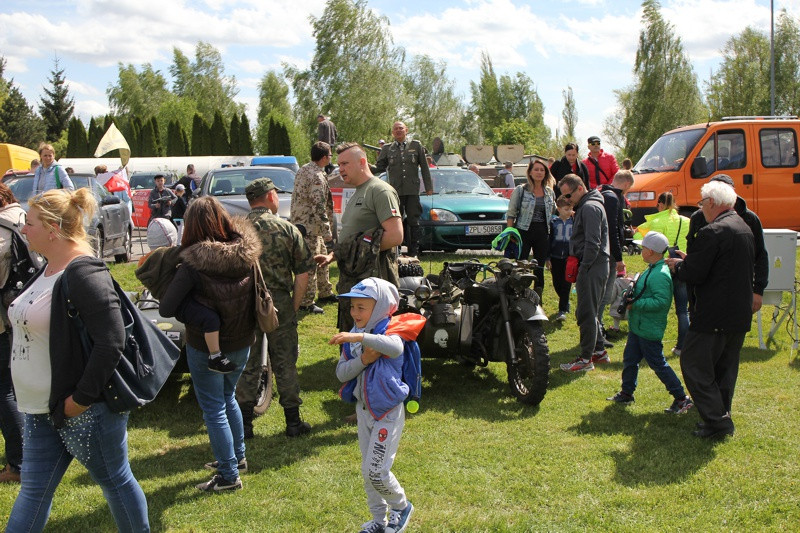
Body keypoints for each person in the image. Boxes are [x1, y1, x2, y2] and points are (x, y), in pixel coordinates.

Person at [7, 188, 149, 531]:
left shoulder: (84, 271)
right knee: (34, 491)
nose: (23, 230)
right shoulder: (46, 268)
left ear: (53, 228)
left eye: (30, 223)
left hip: (83, 410)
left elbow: (112, 340)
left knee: (115, 481)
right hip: (41, 409)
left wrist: (79, 401)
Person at [159, 196, 261, 491]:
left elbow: (166, 308)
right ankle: (237, 458)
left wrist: (202, 315)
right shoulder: (248, 255)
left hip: (206, 348)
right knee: (227, 397)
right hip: (242, 341)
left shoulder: (191, 265)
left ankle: (229, 476)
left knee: (214, 407)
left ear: (190, 226)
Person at [331, 277, 421, 533]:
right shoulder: (353, 337)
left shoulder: (391, 330)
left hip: (387, 413)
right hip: (364, 412)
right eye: (352, 307)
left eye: (362, 307)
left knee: (377, 471)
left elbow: (393, 348)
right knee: (367, 471)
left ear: (380, 306)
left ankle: (401, 508)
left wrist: (360, 337)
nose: (355, 313)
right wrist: (364, 359)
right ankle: (379, 521)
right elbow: (342, 373)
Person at [666, 181, 754, 439]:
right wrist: (690, 261)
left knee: (693, 364)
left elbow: (695, 273)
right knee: (725, 368)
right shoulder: (743, 226)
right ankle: (720, 415)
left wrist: (678, 267)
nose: (701, 206)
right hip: (738, 310)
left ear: (713, 202)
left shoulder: (712, 231)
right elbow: (717, 265)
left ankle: (718, 420)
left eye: (703, 202)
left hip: (714, 312)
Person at [238, 177, 314, 439]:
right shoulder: (287, 228)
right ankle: (293, 423)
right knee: (285, 362)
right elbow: (303, 274)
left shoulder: (237, 230)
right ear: (270, 196)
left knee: (247, 363)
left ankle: (245, 426)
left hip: (245, 303)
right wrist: (292, 306)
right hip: (279, 301)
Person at [317, 142, 403, 332]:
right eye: (339, 165)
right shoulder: (358, 191)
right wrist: (334, 255)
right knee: (352, 330)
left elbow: (396, 236)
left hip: (372, 276)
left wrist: (358, 254)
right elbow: (353, 234)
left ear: (362, 162)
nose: (340, 170)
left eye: (345, 164)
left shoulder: (380, 191)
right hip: (354, 276)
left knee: (371, 333)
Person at [606, 231, 694, 414]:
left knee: (658, 364)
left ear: (652, 251)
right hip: (639, 327)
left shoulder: (660, 274)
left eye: (643, 248)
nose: (641, 250)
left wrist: (635, 304)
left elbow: (661, 302)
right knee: (630, 359)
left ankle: (681, 398)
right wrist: (628, 295)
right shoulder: (652, 268)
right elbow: (641, 290)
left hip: (649, 328)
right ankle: (626, 393)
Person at [686, 174, 768, 314]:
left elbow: (760, 255)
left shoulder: (749, 219)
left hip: (737, 289)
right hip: (703, 291)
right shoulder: (699, 217)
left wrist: (758, 290)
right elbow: (693, 251)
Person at [557, 174, 612, 372]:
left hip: (592, 265)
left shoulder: (589, 207)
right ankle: (598, 352)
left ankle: (586, 359)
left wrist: (584, 266)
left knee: (587, 313)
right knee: (589, 311)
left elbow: (593, 242)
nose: (567, 201)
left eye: (569, 196)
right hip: (593, 264)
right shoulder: (588, 205)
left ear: (580, 188)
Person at [633, 191, 690, 355]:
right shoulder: (686, 220)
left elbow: (640, 237)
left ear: (660, 205)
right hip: (681, 264)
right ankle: (682, 346)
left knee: (657, 307)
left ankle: (650, 343)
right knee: (683, 310)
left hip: (663, 266)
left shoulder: (656, 221)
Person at [372, 121, 432, 258]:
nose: (398, 131)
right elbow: (380, 167)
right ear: (392, 132)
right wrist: (363, 165)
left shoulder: (416, 145)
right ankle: (395, 250)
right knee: (395, 220)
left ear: (406, 130)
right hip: (395, 191)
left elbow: (425, 167)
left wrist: (428, 187)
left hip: (412, 190)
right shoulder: (388, 148)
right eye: (395, 129)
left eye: (401, 128)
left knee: (413, 220)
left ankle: (413, 251)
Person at [291, 141, 337, 315]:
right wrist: (327, 233)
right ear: (324, 157)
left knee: (323, 259)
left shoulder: (304, 169)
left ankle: (325, 292)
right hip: (310, 227)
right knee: (310, 263)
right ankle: (306, 301)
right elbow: (318, 206)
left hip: (305, 224)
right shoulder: (316, 175)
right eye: (330, 156)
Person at [0, 183, 26, 483]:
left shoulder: (2, 230)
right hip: (29, 314)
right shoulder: (24, 218)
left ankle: (18, 463)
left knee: (4, 388)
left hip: (5, 322)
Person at [506, 159, 556, 299]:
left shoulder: (549, 192)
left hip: (542, 233)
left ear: (546, 173)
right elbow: (511, 213)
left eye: (542, 170)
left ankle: (537, 299)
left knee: (539, 268)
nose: (539, 172)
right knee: (521, 266)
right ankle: (518, 296)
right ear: (530, 172)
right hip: (523, 232)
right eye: (536, 169)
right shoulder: (521, 190)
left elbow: (554, 213)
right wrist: (510, 233)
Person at [597, 170, 635, 342]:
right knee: (604, 294)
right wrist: (619, 257)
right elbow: (613, 229)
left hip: (605, 251)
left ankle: (599, 328)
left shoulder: (605, 194)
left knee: (604, 294)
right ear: (627, 184)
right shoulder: (612, 198)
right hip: (609, 253)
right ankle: (597, 331)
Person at [547, 195, 574, 321]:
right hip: (555, 257)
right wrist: (547, 258)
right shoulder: (553, 223)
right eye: (566, 209)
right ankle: (565, 300)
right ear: (558, 209)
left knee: (566, 283)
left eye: (570, 209)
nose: (569, 212)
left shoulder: (574, 222)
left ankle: (562, 309)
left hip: (568, 258)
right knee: (557, 282)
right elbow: (548, 240)